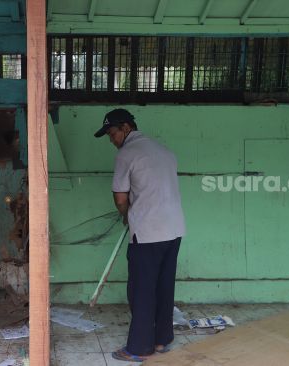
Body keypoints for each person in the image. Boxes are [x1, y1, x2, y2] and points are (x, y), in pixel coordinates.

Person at [93, 108, 185, 363]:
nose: (112, 140)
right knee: (164, 286)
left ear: (126, 128)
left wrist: (126, 215)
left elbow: (120, 197)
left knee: (142, 290)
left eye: (112, 133)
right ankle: (162, 339)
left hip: (148, 233)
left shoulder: (127, 154)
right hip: (174, 229)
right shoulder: (164, 151)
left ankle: (139, 348)